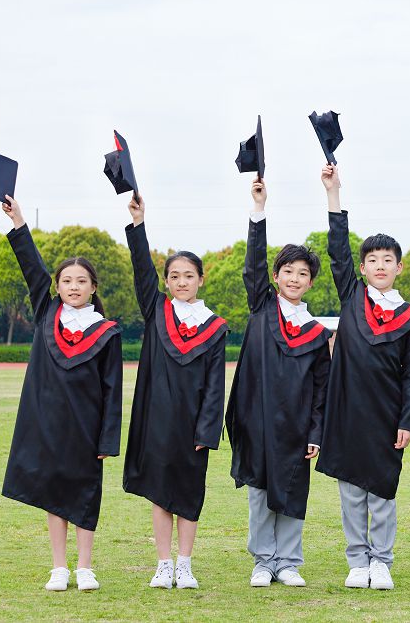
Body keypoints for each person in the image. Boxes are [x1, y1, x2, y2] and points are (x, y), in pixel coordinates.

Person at [0, 195, 122, 593]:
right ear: (57, 286)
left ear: (93, 287)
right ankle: (59, 567)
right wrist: (18, 220)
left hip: (86, 428)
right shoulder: (46, 313)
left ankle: (85, 566)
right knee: (55, 494)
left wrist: (107, 438)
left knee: (85, 493)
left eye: (81, 281)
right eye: (66, 281)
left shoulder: (106, 331)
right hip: (48, 424)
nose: (73, 286)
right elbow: (30, 264)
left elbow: (112, 389)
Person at [314, 163, 410, 591]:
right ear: (361, 269)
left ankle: (382, 561)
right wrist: (333, 194)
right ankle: (357, 561)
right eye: (373, 260)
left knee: (381, 494)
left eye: (388, 260)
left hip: (386, 415)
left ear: (399, 268)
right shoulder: (352, 298)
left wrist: (407, 420)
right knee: (351, 495)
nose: (380, 265)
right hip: (346, 412)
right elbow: (337, 249)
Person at [225, 177, 332, 588]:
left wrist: (316, 433)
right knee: (258, 492)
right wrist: (259, 210)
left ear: (310, 282)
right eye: (287, 270)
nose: (294, 278)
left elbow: (322, 389)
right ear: (275, 275)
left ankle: (288, 561)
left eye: (302, 273)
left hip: (297, 425)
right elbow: (252, 264)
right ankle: (262, 560)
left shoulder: (316, 333)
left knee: (291, 491)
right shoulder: (261, 307)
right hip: (256, 418)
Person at [122, 194, 228, 590]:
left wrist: (207, 431)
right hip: (158, 422)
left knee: (189, 493)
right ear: (166, 282)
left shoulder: (214, 326)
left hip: (193, 426)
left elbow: (216, 384)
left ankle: (185, 564)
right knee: (160, 493)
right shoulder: (157, 311)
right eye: (174, 276)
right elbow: (141, 270)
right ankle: (163, 563)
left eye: (189, 275)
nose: (181, 282)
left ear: (201, 279)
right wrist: (138, 223)